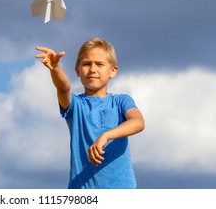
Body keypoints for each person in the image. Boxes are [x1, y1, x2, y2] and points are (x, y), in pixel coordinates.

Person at [35, 37, 145, 189]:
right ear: (77, 70)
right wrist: (56, 68)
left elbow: (138, 122)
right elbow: (63, 88)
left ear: (113, 70)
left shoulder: (121, 101)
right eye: (87, 64)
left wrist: (106, 136)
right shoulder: (76, 105)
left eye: (100, 64)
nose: (92, 69)